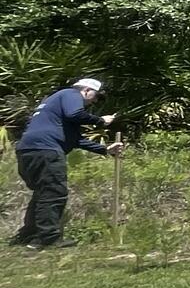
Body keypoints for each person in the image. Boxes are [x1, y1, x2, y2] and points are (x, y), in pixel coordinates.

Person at [11, 78, 123, 250]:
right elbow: (75, 115)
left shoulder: (53, 105)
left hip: (27, 150)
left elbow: (74, 139)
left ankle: (28, 235)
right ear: (86, 90)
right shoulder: (70, 94)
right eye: (96, 97)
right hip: (46, 150)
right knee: (54, 192)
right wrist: (100, 121)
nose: (94, 101)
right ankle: (48, 239)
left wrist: (105, 149)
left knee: (43, 192)